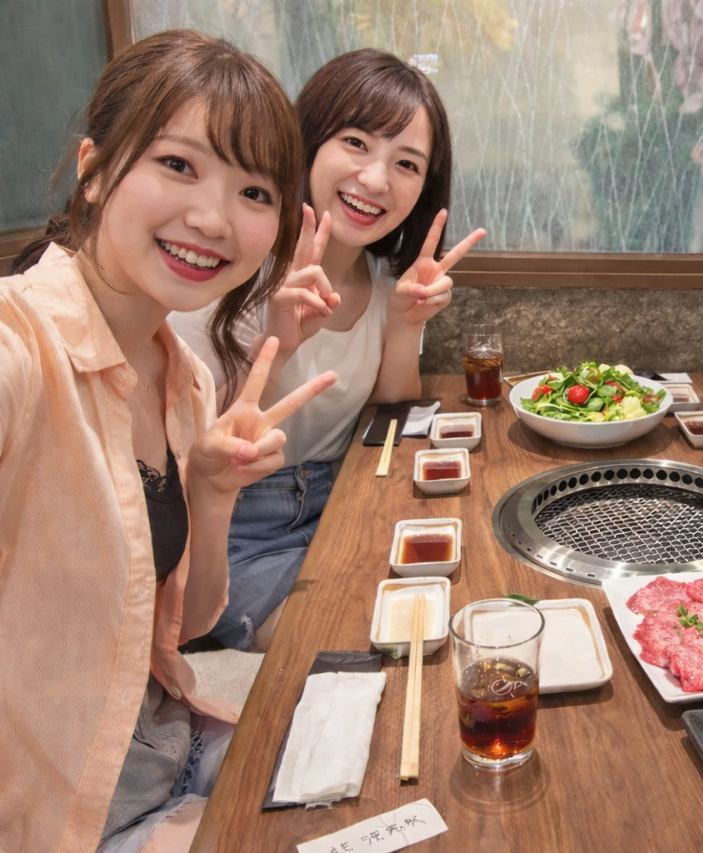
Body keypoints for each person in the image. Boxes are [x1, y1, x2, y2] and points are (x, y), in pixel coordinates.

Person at [0, 30, 337, 853]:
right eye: (178, 164)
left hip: (171, 746)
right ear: (94, 167)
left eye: (253, 191)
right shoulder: (22, 344)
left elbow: (183, 626)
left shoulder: (183, 379)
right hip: (67, 814)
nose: (212, 218)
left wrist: (213, 493)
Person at [171, 49, 485, 652]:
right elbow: (187, 457)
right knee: (356, 635)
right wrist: (278, 343)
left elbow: (391, 417)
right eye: (356, 142)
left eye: (407, 163)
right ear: (309, 142)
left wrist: (402, 325)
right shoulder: (230, 265)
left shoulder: (388, 280)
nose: (376, 180)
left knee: (453, 600)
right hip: (233, 531)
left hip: (340, 502)